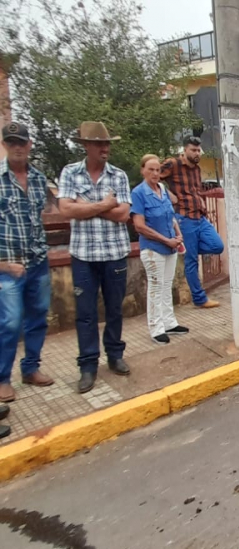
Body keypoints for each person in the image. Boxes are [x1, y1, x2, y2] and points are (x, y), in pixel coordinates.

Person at [57, 121, 133, 394]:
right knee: (86, 313)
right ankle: (88, 365)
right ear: (86, 146)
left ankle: (114, 355)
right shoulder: (70, 173)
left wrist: (84, 206)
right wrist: (104, 205)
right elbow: (66, 209)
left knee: (114, 308)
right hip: (84, 255)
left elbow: (123, 214)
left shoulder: (119, 176)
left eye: (108, 143)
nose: (106, 148)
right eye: (100, 143)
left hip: (113, 253)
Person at [0, 122, 54, 437]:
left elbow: (40, 217)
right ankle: (3, 378)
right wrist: (4, 264)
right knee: (9, 321)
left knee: (38, 318)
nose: (17, 147)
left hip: (38, 262)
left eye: (22, 142)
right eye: (12, 142)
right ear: (5, 145)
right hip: (7, 266)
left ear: (29, 145)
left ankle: (30, 368)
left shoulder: (37, 179)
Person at [160, 136, 224, 309]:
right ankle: (199, 298)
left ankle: (191, 248)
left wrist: (202, 205)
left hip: (200, 217)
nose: (197, 153)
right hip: (184, 217)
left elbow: (196, 191)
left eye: (198, 150)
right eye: (193, 150)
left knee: (217, 245)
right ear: (185, 150)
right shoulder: (172, 164)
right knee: (191, 261)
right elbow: (152, 177)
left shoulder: (196, 169)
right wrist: (167, 193)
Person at [130, 154, 187, 345]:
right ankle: (156, 327)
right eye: (151, 170)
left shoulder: (162, 189)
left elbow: (170, 215)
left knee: (166, 285)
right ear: (143, 171)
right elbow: (140, 226)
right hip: (154, 248)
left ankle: (169, 322)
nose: (155, 174)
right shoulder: (139, 193)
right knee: (155, 286)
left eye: (157, 170)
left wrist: (177, 236)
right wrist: (166, 240)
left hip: (170, 245)